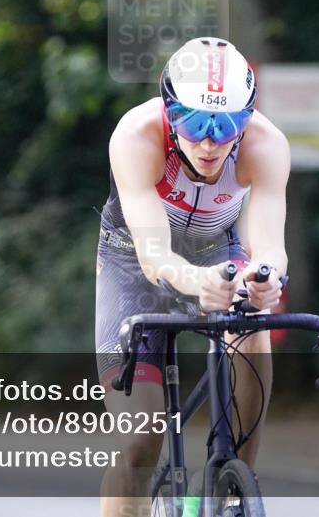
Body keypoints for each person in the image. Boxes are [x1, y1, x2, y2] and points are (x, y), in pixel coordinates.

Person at [95, 37, 290, 517]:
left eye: (225, 126)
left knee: (252, 329)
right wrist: (195, 281)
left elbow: (269, 249)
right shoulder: (136, 136)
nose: (208, 141)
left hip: (216, 251)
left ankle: (236, 483)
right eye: (193, 122)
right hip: (132, 262)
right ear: (168, 112)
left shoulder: (266, 145)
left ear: (245, 121)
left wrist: (266, 279)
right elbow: (154, 256)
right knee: (140, 440)